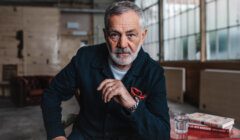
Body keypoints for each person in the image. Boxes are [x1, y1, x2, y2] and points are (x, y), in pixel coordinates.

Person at [41, 1, 170, 140]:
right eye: (115, 35)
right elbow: (51, 95)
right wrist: (56, 135)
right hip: (86, 135)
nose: (122, 44)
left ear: (143, 36)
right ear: (105, 35)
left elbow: (162, 134)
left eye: (131, 35)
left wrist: (132, 104)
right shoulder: (85, 58)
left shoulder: (154, 72)